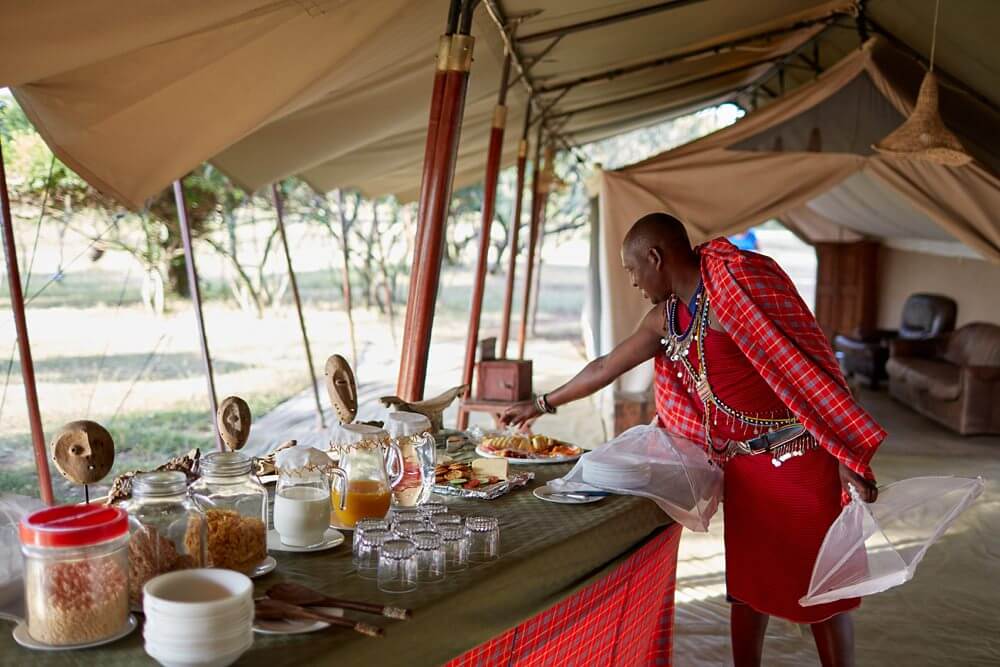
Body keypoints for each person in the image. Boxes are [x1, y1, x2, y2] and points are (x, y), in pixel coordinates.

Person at [501, 212, 884, 667]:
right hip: (742, 468)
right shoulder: (666, 319)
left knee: (824, 589)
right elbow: (605, 365)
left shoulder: (736, 294)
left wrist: (843, 452)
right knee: (748, 588)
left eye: (632, 270)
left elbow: (809, 369)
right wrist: (541, 403)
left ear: (655, 258)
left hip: (801, 460)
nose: (633, 282)